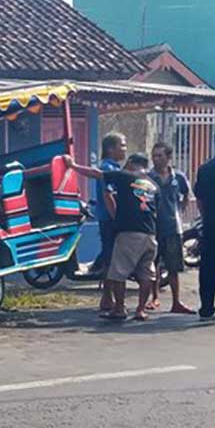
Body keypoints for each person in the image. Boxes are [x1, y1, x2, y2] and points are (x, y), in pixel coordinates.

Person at [65, 153, 159, 321]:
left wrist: (73, 166)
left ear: (131, 163)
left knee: (118, 273)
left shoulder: (125, 176)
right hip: (150, 234)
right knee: (146, 274)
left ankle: (119, 309)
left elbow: (96, 174)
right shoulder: (153, 185)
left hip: (129, 233)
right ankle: (140, 310)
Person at [147, 142, 194, 314]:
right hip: (152, 227)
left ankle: (176, 302)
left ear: (168, 157)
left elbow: (186, 194)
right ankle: (154, 297)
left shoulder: (178, 177)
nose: (156, 159)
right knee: (152, 265)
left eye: (160, 155)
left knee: (174, 267)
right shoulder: (148, 177)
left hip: (173, 227)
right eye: (154, 155)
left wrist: (180, 210)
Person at [87, 132, 126, 309]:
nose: (124, 149)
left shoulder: (113, 167)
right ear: (111, 149)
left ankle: (108, 297)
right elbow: (108, 196)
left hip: (108, 219)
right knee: (111, 258)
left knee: (110, 257)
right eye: (122, 145)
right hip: (110, 220)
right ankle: (107, 298)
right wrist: (117, 218)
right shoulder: (108, 169)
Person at [193, 130, 215, 321]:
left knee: (209, 270)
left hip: (213, 226)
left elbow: (199, 199)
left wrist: (207, 218)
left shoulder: (205, 168)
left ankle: (206, 309)